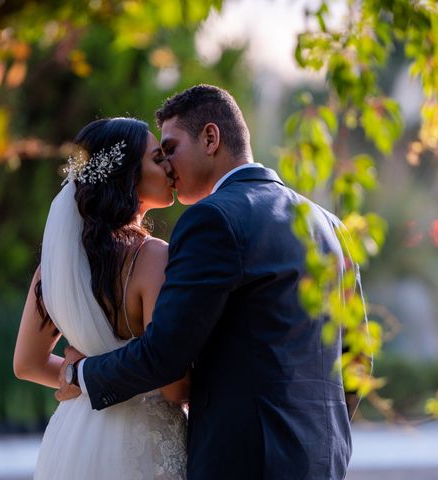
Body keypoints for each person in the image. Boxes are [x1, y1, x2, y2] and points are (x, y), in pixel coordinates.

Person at [57, 85, 352, 479]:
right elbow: (357, 359)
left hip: (243, 463)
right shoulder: (331, 226)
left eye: (171, 148)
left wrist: (81, 374)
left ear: (210, 138)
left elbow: (165, 354)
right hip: (325, 461)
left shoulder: (215, 219)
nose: (168, 166)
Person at [13, 117, 190, 479]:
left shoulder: (55, 263)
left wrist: (77, 374)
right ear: (128, 175)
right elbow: (173, 383)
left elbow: (26, 364)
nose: (169, 167)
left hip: (74, 437)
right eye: (158, 158)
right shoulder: (153, 257)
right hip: (144, 443)